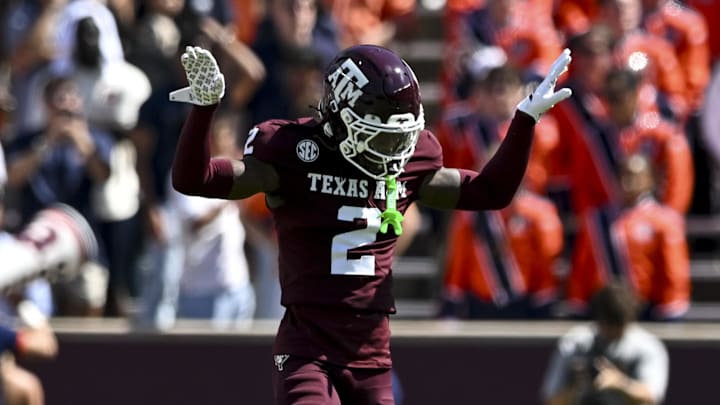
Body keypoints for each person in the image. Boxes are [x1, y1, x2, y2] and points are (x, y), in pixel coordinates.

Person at [170, 44, 572, 404]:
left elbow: (490, 193)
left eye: (401, 137)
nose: (394, 150)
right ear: (340, 117)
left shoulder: (412, 159)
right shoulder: (292, 151)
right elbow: (195, 179)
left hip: (372, 354)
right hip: (307, 349)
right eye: (381, 137)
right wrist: (204, 109)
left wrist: (523, 122)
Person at [540, 282, 669, 405]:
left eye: (617, 327)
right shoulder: (575, 344)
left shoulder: (646, 346)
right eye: (608, 325)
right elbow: (551, 401)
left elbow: (651, 399)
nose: (611, 332)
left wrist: (620, 382)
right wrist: (575, 386)